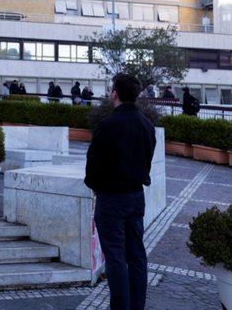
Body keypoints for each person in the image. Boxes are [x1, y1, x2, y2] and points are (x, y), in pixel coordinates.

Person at [85, 73, 156, 310]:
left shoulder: (107, 125)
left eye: (110, 89)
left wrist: (96, 186)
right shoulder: (147, 125)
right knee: (137, 255)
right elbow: (147, 160)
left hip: (112, 200)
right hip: (136, 197)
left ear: (114, 93)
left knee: (115, 257)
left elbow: (93, 167)